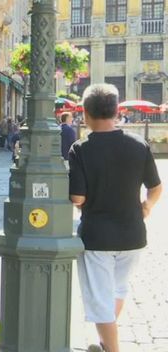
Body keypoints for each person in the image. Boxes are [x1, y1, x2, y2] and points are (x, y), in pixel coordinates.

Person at [69, 84, 162, 352]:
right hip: (133, 234)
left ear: (85, 113)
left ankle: (111, 348)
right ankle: (104, 342)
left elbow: (77, 198)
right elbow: (155, 187)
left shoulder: (81, 148)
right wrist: (147, 207)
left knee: (100, 301)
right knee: (118, 290)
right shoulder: (138, 144)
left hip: (98, 236)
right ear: (117, 111)